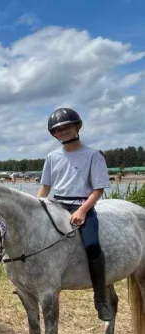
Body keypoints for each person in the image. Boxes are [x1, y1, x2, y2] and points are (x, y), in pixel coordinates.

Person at [37, 107, 112, 321]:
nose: (63, 132)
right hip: (56, 204)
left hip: (81, 205)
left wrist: (82, 210)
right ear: (54, 134)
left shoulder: (93, 156)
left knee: (91, 245)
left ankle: (100, 299)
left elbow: (98, 190)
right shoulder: (52, 157)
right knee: (34, 240)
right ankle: (33, 281)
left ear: (77, 127)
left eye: (66, 127)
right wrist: (38, 206)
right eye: (58, 130)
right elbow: (45, 187)